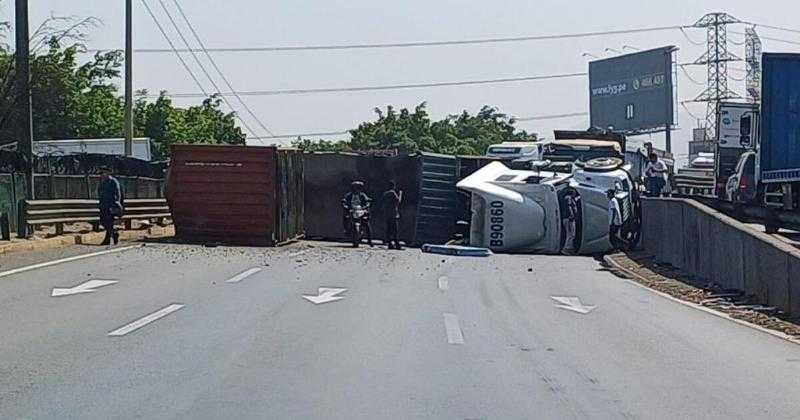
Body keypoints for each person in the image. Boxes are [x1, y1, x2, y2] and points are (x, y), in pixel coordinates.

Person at [97, 166, 123, 245]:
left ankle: (107, 239)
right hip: (103, 204)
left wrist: (116, 204)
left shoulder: (113, 181)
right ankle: (114, 233)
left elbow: (117, 193)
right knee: (103, 222)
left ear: (108, 173)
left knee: (109, 221)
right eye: (100, 173)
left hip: (111, 204)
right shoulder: (102, 182)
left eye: (103, 173)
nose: (101, 175)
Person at [341, 181, 372, 246]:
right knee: (346, 217)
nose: (356, 189)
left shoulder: (362, 195)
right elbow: (345, 200)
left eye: (358, 187)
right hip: (352, 210)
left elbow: (367, 201)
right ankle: (346, 229)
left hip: (360, 210)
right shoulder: (349, 195)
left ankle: (369, 240)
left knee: (366, 222)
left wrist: (367, 205)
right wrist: (345, 204)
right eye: (355, 187)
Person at [381, 180, 403, 250]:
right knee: (395, 230)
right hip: (393, 214)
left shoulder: (385, 194)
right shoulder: (393, 193)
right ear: (393, 186)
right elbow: (398, 201)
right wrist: (400, 194)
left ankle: (390, 243)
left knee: (389, 229)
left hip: (387, 214)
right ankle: (397, 244)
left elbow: (383, 204)